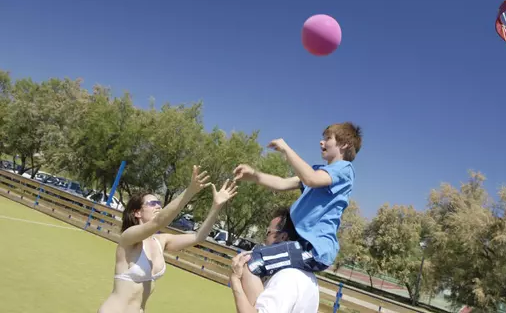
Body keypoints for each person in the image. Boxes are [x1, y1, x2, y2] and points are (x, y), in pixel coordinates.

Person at [233, 122, 362, 303]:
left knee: (251, 263)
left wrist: (286, 149)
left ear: (345, 144)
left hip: (314, 248)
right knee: (256, 265)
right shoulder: (318, 170)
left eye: (327, 139)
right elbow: (282, 183)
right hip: (301, 244)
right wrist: (254, 175)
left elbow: (311, 179)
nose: (321, 142)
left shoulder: (344, 170)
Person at [98, 166, 238, 313]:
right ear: (137, 212)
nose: (158, 206)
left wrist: (216, 206)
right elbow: (159, 222)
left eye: (159, 203)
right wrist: (190, 190)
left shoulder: (161, 241)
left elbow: (199, 237)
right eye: (152, 203)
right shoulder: (128, 237)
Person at [230, 207, 320, 313]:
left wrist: (235, 280)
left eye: (268, 232)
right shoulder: (308, 277)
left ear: (283, 237)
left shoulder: (287, 277)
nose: (265, 238)